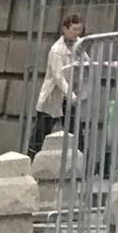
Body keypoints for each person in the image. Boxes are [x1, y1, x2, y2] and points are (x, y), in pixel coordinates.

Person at [30, 10, 82, 155]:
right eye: (74, 29)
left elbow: (86, 61)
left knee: (76, 132)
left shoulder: (79, 44)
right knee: (41, 135)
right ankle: (31, 160)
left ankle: (81, 164)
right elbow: (58, 77)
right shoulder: (56, 50)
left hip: (69, 96)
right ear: (65, 29)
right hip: (53, 97)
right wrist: (71, 95)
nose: (77, 33)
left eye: (79, 29)